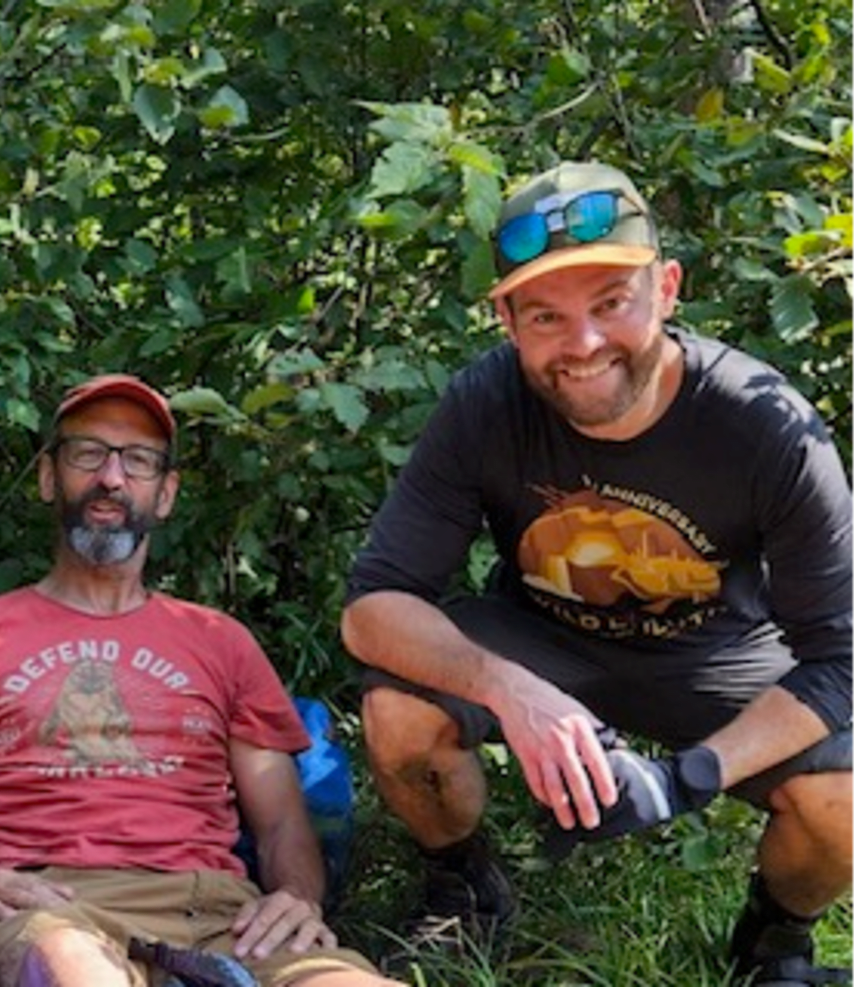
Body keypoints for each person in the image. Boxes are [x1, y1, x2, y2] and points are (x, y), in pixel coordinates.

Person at [339, 160, 854, 984]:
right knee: (398, 707)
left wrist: (687, 779)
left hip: (713, 649)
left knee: (847, 796)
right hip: (542, 633)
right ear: (506, 318)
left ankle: (774, 941)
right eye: (546, 314)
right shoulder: (484, 403)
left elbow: (844, 658)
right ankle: (463, 881)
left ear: (668, 288)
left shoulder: (767, 426)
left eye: (611, 303)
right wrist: (507, 686)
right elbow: (374, 607)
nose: (582, 344)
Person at [0, 374, 397, 987]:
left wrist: (297, 899)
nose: (112, 478)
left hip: (222, 915)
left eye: (138, 461)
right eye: (88, 453)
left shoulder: (220, 640)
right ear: (48, 476)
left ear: (165, 494)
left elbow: (281, 823)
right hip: (51, 909)